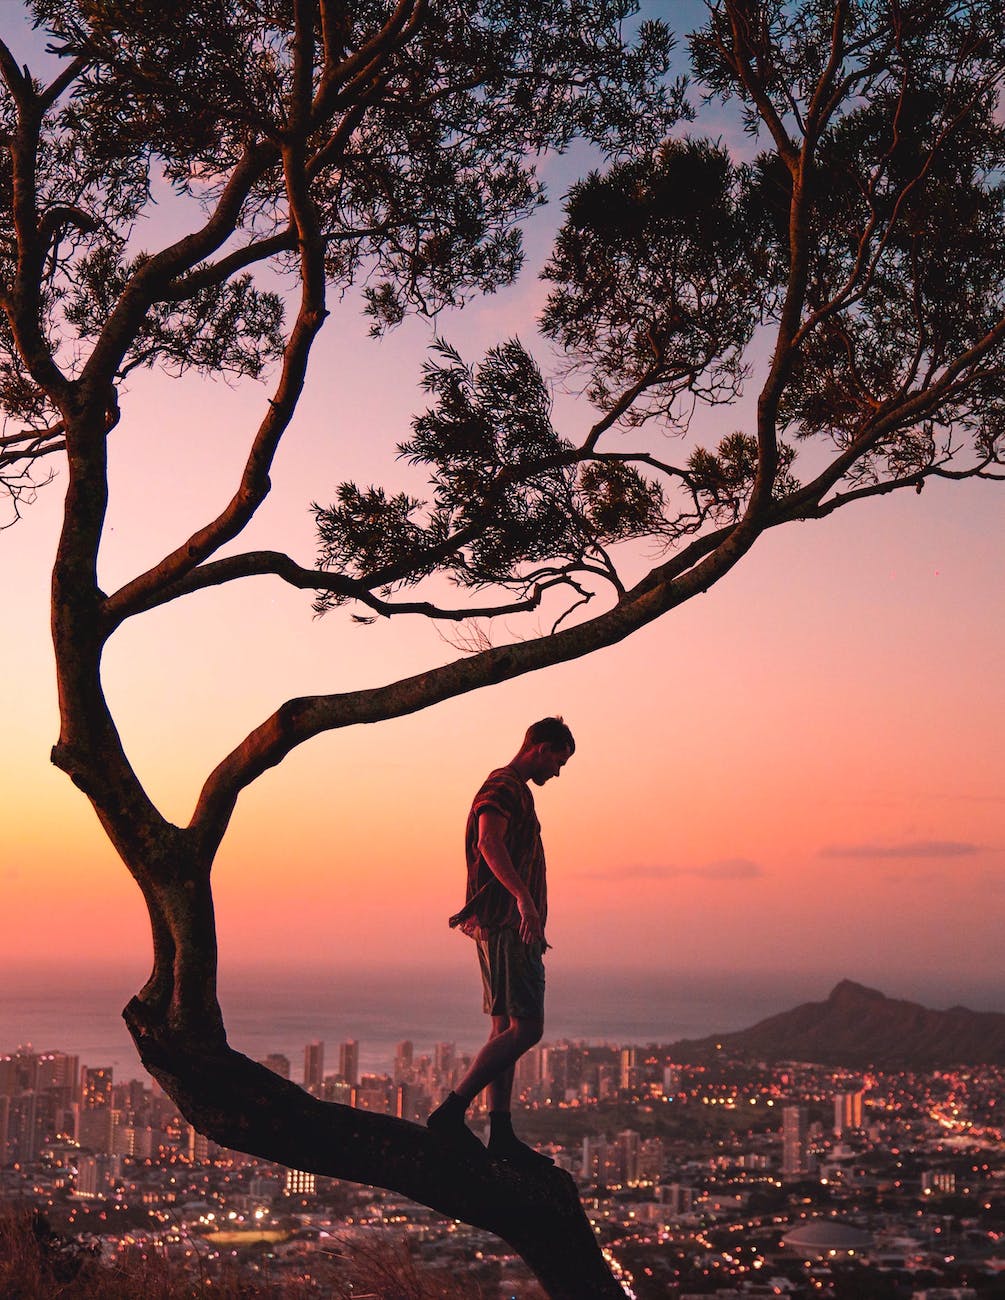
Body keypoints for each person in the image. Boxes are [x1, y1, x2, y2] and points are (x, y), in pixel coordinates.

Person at [427, 717, 575, 1167]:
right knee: (528, 1029)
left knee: (504, 1029)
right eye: (558, 760)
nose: (558, 772)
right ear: (540, 748)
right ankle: (452, 1111)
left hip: (503, 924)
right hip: (510, 925)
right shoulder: (505, 785)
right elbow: (490, 841)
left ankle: (501, 1134)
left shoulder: (514, 788)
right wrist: (525, 900)